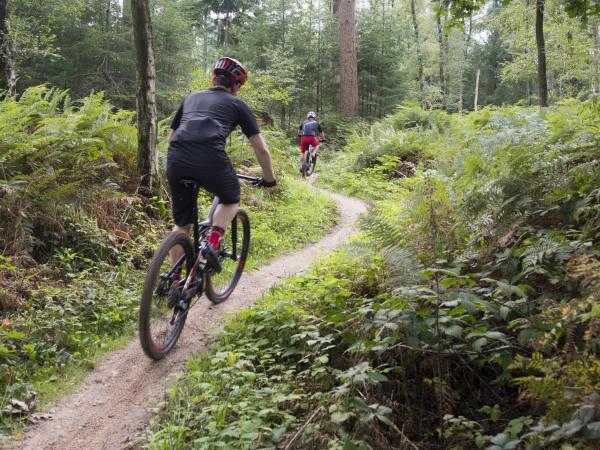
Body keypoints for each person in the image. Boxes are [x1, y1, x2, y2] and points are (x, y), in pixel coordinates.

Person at [167, 56, 276, 271]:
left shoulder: (191, 98)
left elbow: (171, 137)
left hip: (176, 158)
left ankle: (175, 280)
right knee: (231, 197)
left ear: (213, 78)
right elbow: (261, 149)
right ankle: (212, 243)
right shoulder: (237, 104)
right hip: (210, 158)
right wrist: (269, 179)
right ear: (236, 85)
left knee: (182, 224)